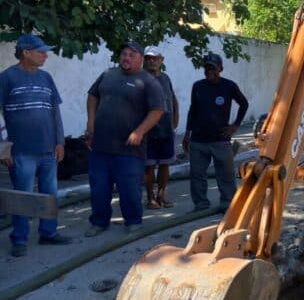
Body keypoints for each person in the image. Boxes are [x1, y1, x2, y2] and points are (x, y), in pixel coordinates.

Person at [0, 34, 72, 256]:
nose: (45, 56)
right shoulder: (7, 78)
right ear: (26, 53)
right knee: (23, 196)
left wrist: (60, 142)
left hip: (49, 150)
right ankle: (19, 240)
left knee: (50, 193)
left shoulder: (46, 78)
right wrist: (3, 147)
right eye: (41, 52)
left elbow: (54, 112)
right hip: (21, 152)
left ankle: (48, 233)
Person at [84, 41, 164, 236]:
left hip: (129, 149)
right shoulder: (107, 75)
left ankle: (133, 221)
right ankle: (100, 222)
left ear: (140, 59)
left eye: (131, 55)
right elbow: (92, 96)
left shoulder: (148, 81)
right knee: (99, 187)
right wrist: (90, 122)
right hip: (101, 145)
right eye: (124, 54)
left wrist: (139, 131)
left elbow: (157, 111)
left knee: (129, 188)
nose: (126, 58)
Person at [182, 52, 248, 212]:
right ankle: (201, 204)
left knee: (226, 175)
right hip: (198, 140)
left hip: (220, 140)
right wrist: (187, 133)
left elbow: (243, 104)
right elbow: (193, 110)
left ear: (220, 68)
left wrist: (235, 126)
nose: (209, 70)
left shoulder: (229, 86)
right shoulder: (198, 86)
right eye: (206, 67)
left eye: (213, 67)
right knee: (197, 175)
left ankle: (227, 204)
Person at [142, 46, 179, 209]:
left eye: (155, 58)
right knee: (148, 166)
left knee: (165, 164)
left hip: (166, 129)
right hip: (148, 131)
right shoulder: (140, 78)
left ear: (161, 60)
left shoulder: (165, 78)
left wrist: (175, 119)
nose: (152, 61)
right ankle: (150, 198)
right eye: (149, 58)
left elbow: (173, 98)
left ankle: (161, 196)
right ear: (144, 60)